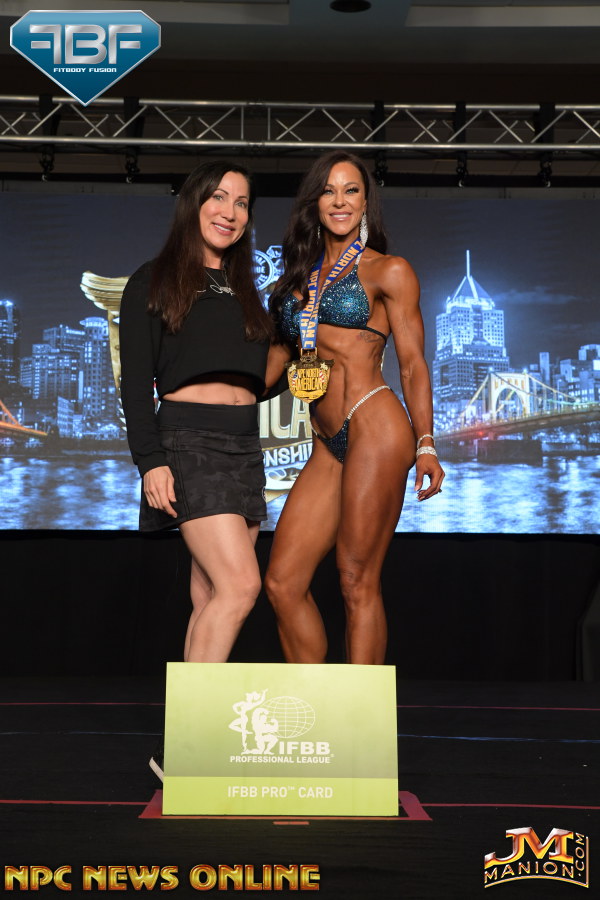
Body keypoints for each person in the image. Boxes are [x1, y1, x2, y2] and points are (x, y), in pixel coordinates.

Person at [119, 161, 274, 777]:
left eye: (241, 202)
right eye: (218, 197)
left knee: (209, 595)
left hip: (246, 446)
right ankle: (186, 749)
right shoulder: (153, 280)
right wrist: (150, 461)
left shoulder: (245, 289)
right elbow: (136, 384)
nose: (230, 211)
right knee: (241, 588)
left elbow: (255, 380)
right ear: (194, 203)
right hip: (188, 442)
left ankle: (184, 751)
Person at [265, 150, 445, 666]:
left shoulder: (389, 271)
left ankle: (358, 712)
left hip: (376, 427)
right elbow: (268, 373)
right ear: (315, 202)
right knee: (282, 582)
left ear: (366, 202)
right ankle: (314, 702)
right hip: (327, 443)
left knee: (355, 578)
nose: (339, 201)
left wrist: (427, 444)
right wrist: (195, 383)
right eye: (328, 190)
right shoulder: (294, 282)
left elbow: (412, 365)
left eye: (351, 190)